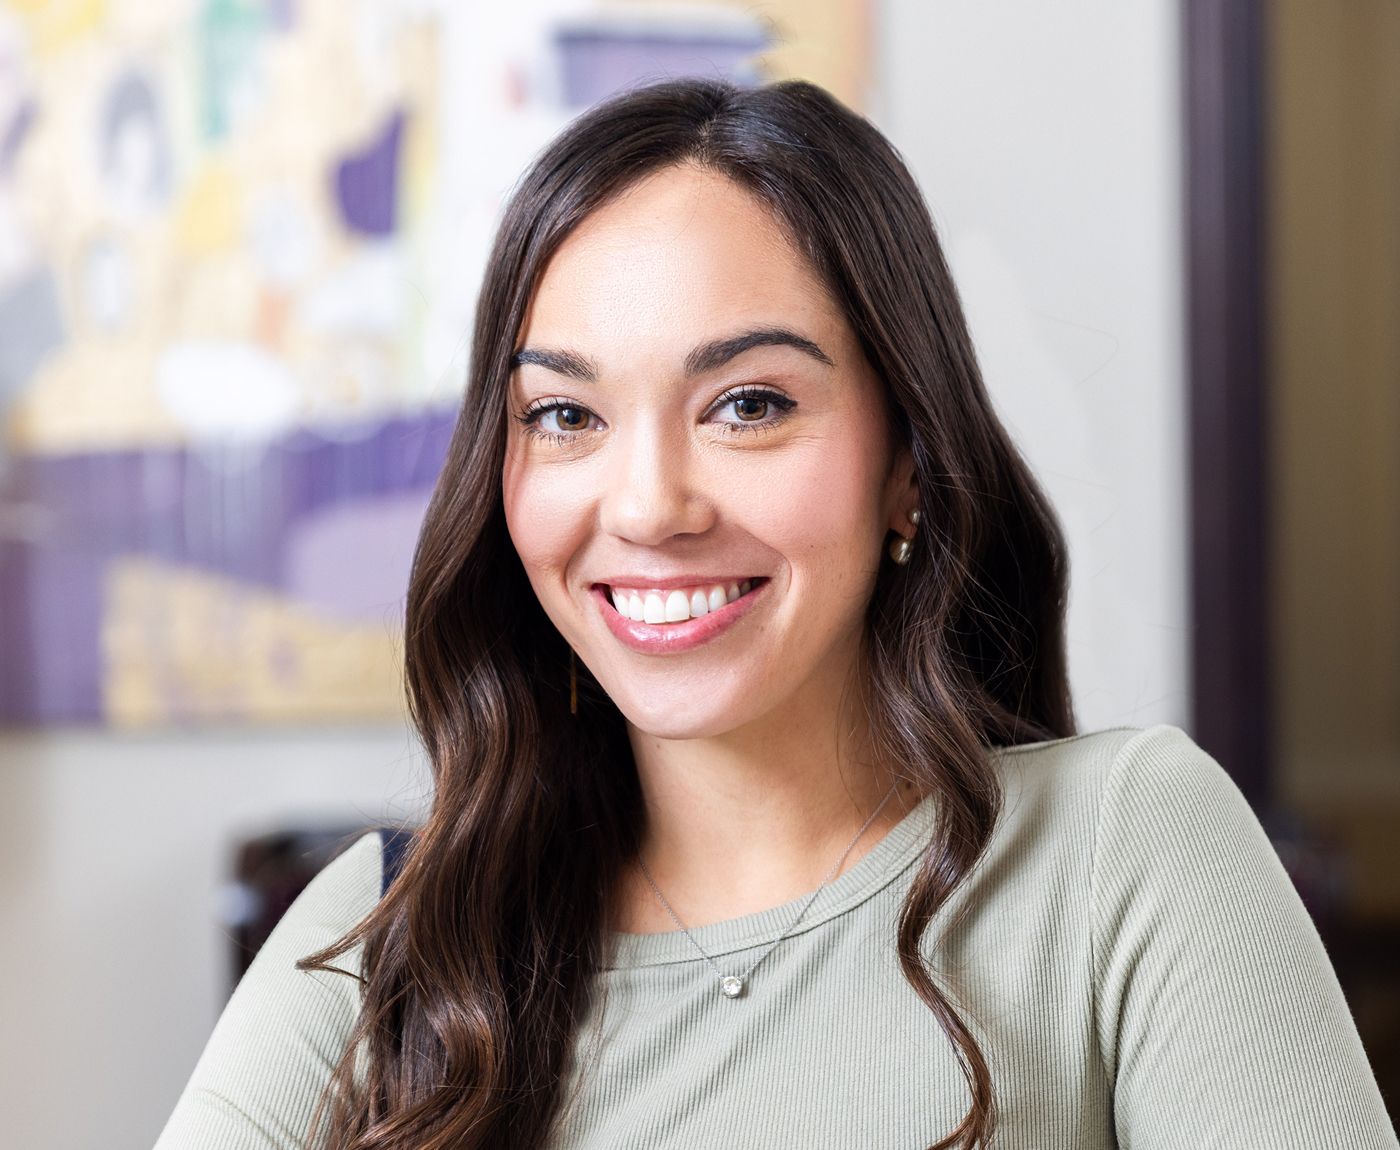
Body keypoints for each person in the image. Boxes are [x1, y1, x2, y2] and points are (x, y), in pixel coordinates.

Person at [152, 77, 1397, 1150]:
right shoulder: (385, 941)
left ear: (906, 460)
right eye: (566, 416)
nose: (646, 506)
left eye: (746, 403)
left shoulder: (1125, 852)